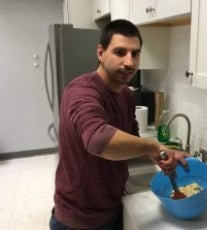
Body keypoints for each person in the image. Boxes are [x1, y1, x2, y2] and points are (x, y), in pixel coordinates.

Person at [49, 19, 189, 230]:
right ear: (100, 53)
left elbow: (132, 143)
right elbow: (98, 140)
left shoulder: (126, 96)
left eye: (135, 53)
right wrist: (154, 146)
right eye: (120, 52)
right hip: (78, 220)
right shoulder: (81, 92)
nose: (130, 62)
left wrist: (158, 154)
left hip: (114, 208)